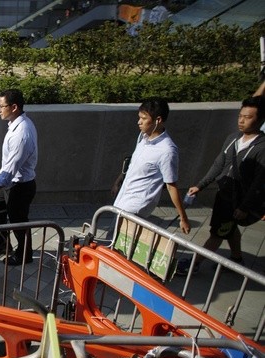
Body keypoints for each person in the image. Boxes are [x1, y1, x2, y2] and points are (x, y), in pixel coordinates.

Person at [176, 96, 265, 275]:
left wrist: (245, 206)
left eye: (248, 117)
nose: (241, 120)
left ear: (261, 120)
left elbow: (260, 182)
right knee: (228, 228)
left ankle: (193, 264)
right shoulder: (233, 138)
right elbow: (219, 163)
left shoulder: (262, 147)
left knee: (217, 233)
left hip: (238, 201)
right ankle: (236, 258)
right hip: (224, 194)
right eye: (240, 116)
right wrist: (201, 185)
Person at [112, 97, 191, 235]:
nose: (139, 122)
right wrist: (119, 180)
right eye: (139, 117)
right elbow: (133, 164)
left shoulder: (167, 151)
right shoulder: (143, 137)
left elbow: (171, 186)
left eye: (144, 118)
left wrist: (183, 218)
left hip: (136, 207)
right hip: (122, 200)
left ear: (158, 120)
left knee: (118, 245)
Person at [0, 89, 38, 266]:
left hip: (19, 186)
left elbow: (8, 172)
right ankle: (3, 243)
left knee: (18, 222)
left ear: (14, 107)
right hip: (12, 183)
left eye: (1, 106)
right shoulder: (17, 124)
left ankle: (24, 255)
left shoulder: (21, 134)